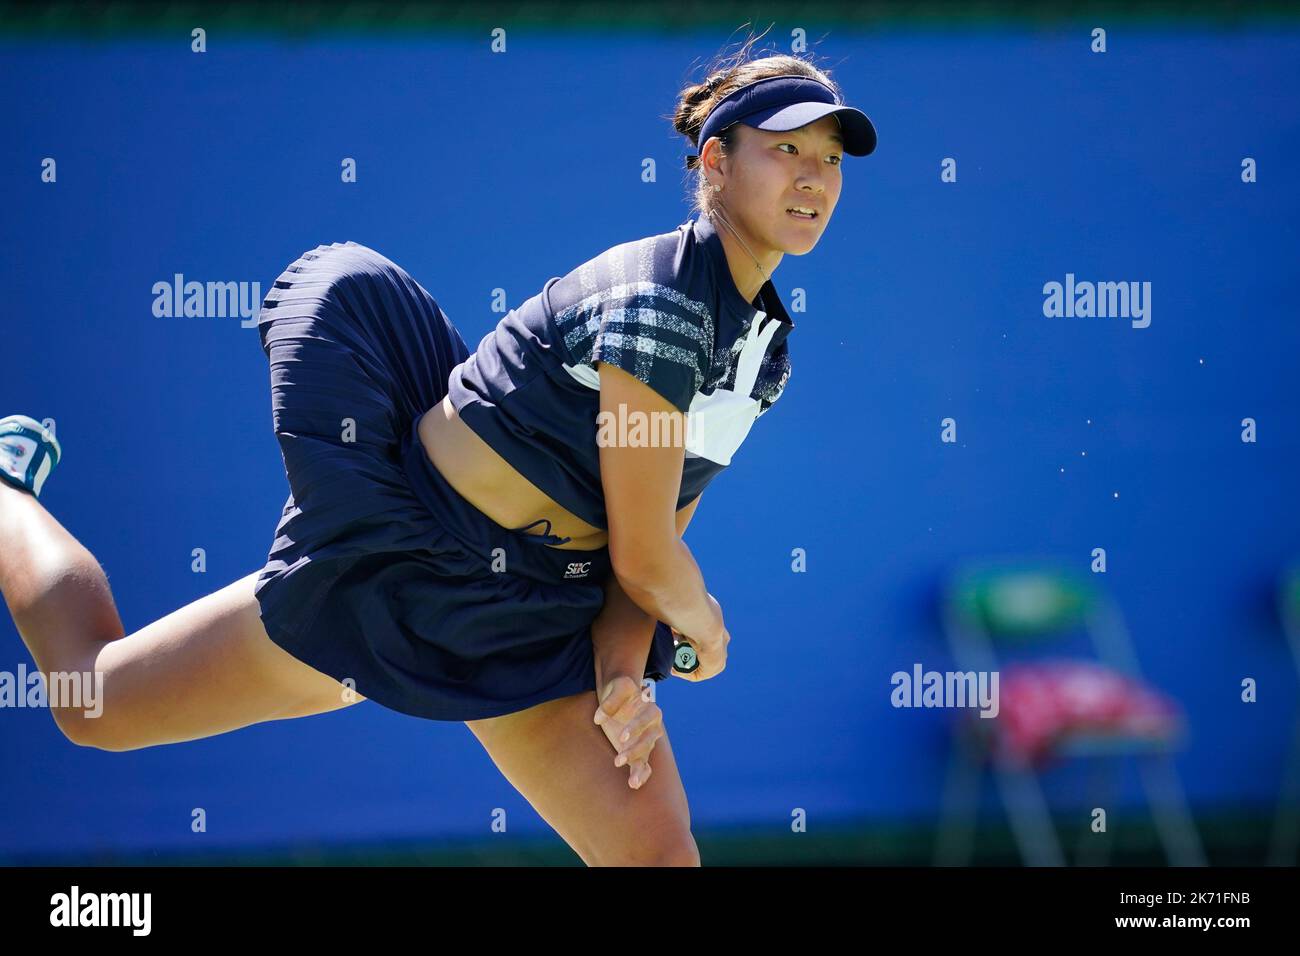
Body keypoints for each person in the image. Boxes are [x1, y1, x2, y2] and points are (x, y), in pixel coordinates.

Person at [0, 43, 875, 867]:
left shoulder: (763, 353)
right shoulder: (660, 304)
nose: (813, 178)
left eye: (830, 158)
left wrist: (621, 679)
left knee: (657, 857)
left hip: (537, 613)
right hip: (404, 563)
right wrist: (708, 628)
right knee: (93, 703)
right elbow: (651, 559)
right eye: (785, 149)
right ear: (715, 162)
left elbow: (637, 554)